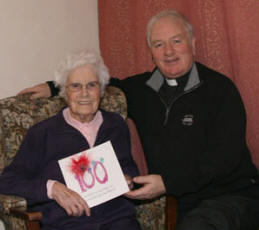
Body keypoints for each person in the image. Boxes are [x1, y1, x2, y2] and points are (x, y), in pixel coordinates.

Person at [18, 9, 259, 230]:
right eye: (158, 44)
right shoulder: (140, 90)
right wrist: (53, 86)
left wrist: (167, 183)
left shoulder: (220, 89)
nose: (169, 51)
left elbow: (224, 158)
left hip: (229, 196)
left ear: (193, 44)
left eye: (176, 41)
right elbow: (99, 84)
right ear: (151, 53)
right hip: (177, 201)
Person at [0, 50, 141, 230]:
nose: (84, 93)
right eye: (75, 86)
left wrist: (128, 179)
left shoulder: (115, 125)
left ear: (102, 89)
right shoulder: (43, 133)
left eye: (92, 85)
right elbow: (7, 181)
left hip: (118, 220)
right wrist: (52, 188)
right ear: (64, 92)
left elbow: (129, 166)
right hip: (68, 224)